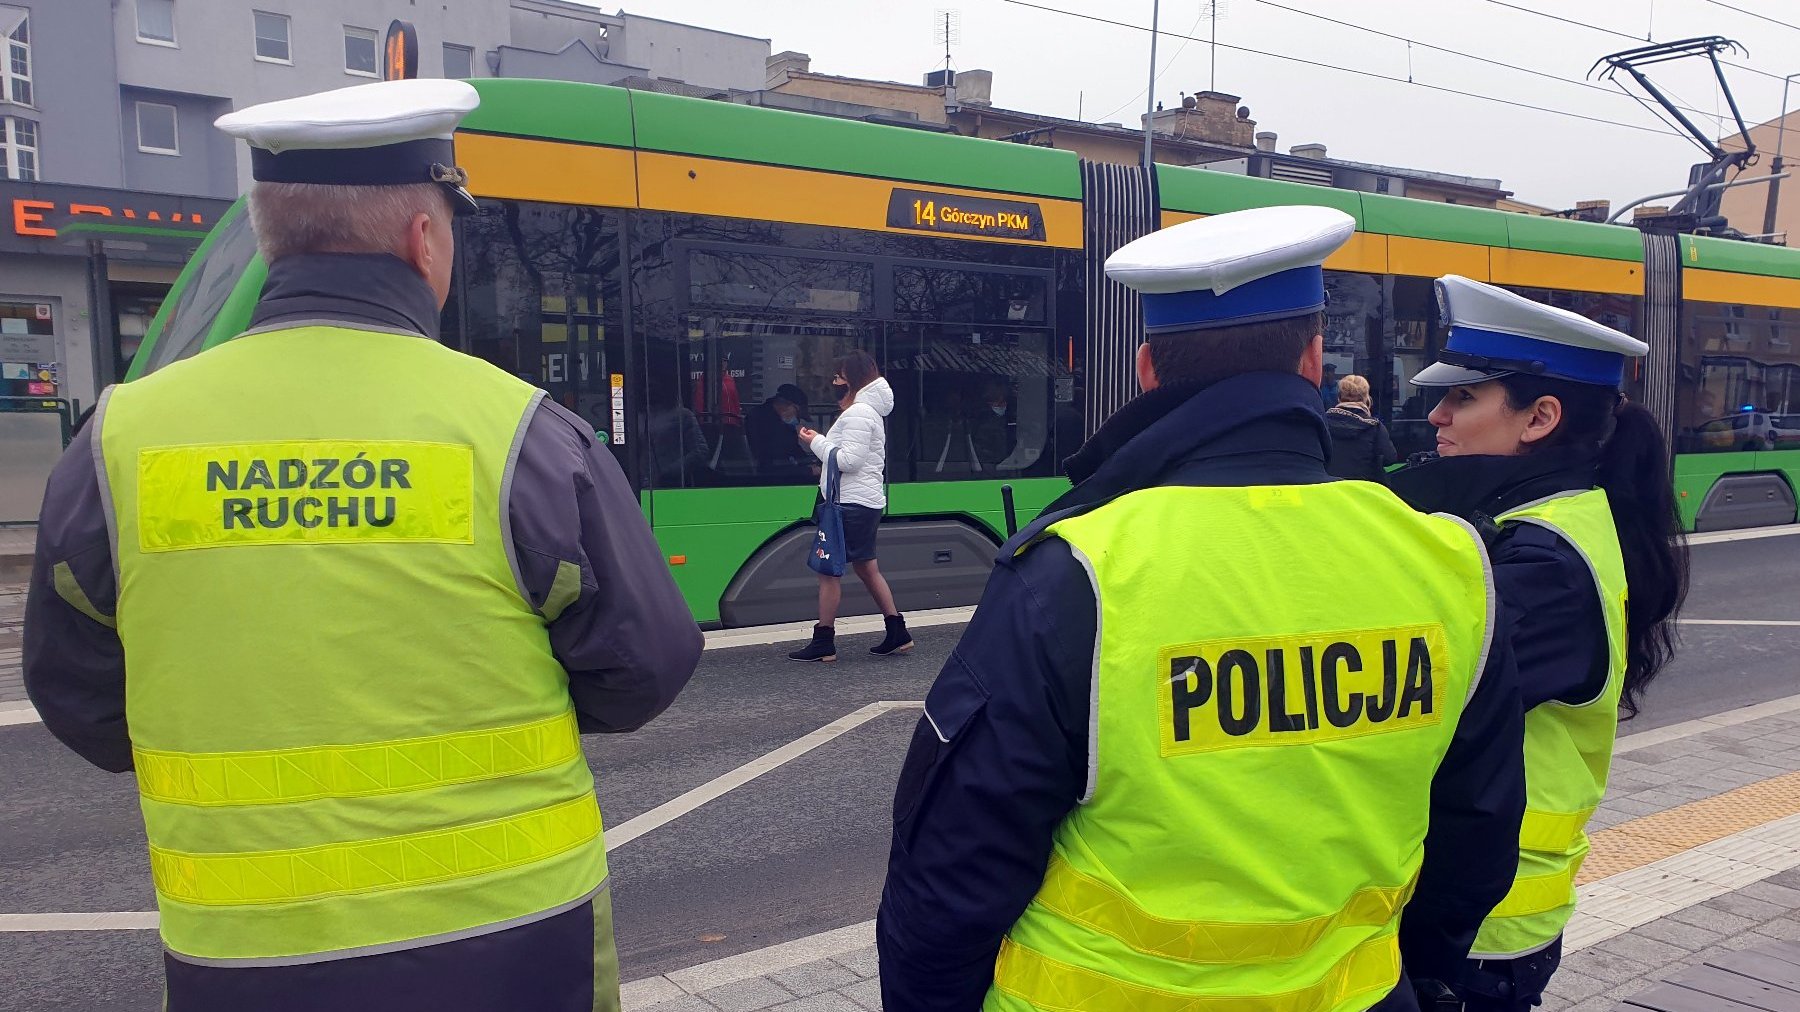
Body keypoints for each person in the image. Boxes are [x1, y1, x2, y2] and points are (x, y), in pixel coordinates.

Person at [21, 79, 704, 1012]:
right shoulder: (521, 434)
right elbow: (646, 668)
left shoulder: (115, 441)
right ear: (425, 239)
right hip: (512, 944)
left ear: (270, 238)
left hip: (240, 954)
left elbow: (81, 698)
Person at [877, 206, 1526, 1012]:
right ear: (1315, 360)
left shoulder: (1078, 570)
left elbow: (950, 873)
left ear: (1148, 369)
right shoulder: (1451, 563)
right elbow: (1479, 833)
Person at [1385, 276, 1689, 1011]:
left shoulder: (1545, 565)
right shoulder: (1540, 523)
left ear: (1539, 418)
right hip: (1472, 916)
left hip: (1476, 936)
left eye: (1463, 398)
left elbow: (1413, 696)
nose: (1436, 414)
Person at [788, 351, 914, 661]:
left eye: (839, 375)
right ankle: (897, 632)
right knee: (866, 567)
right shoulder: (866, 411)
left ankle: (824, 641)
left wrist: (815, 441)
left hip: (850, 503)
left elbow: (849, 460)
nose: (834, 380)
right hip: (862, 501)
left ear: (853, 378)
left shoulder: (859, 413)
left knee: (829, 573)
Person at [1327, 373, 1400, 480]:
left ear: (1339, 398)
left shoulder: (1323, 422)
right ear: (1366, 398)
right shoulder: (1375, 427)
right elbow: (1390, 459)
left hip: (1328, 488)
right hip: (1363, 489)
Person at [745, 382, 814, 480]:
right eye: (797, 414)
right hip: (769, 478)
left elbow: (793, 448)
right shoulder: (759, 419)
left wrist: (810, 463)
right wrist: (807, 471)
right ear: (787, 407)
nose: (797, 420)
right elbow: (775, 461)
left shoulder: (782, 421)